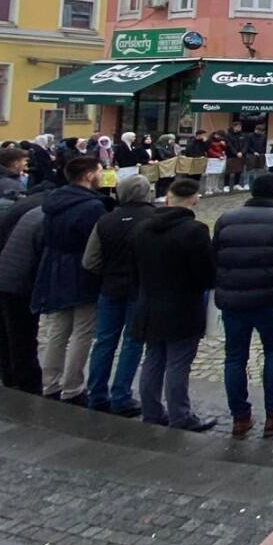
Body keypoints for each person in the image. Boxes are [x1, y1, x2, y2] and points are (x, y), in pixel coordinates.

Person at [211, 173, 273, 437]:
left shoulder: (225, 219)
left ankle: (240, 417)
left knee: (235, 356)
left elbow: (215, 254)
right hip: (269, 297)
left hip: (233, 297)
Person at [131, 178, 216, 431]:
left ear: (168, 198)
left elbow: (135, 267)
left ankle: (151, 411)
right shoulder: (195, 230)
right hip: (182, 305)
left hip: (148, 302)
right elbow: (207, 274)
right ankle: (181, 415)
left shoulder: (142, 228)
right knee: (178, 362)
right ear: (194, 199)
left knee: (153, 359)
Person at [32, 156, 107, 404]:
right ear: (88, 175)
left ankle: (50, 383)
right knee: (82, 331)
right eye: (100, 170)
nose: (103, 174)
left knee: (58, 329)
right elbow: (95, 245)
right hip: (80, 268)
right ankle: (73, 387)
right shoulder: (92, 206)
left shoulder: (54, 201)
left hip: (55, 266)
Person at [81, 173, 156, 416]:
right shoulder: (154, 219)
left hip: (110, 287)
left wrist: (110, 272)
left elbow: (90, 260)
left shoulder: (106, 220)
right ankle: (121, 396)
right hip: (140, 288)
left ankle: (97, 393)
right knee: (132, 343)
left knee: (104, 341)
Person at [0, 183, 52, 392]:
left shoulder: (31, 211)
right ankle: (27, 385)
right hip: (17, 283)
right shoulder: (44, 216)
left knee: (7, 336)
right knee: (21, 337)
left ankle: (10, 378)